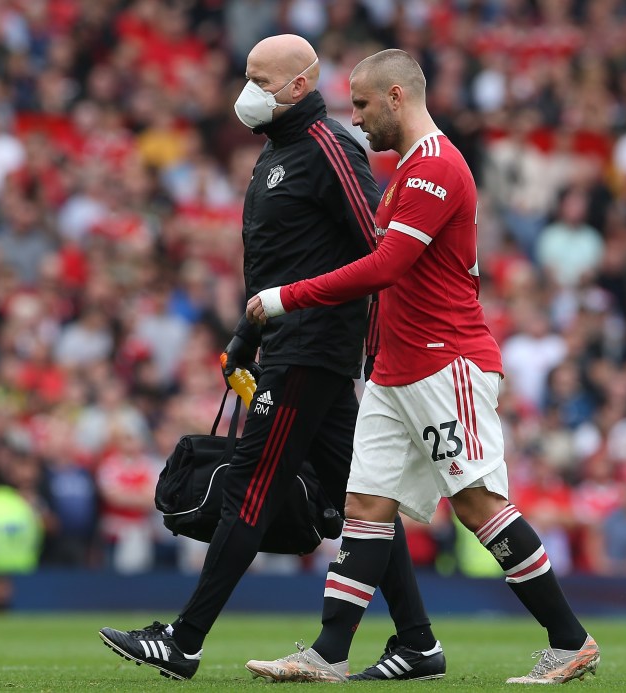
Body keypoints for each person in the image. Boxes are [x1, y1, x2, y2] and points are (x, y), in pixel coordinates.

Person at [244, 49, 601, 686]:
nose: (355, 119)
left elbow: (385, 269)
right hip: (394, 370)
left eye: (360, 105)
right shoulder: (410, 168)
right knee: (364, 505)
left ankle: (570, 639)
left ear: (396, 99)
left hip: (446, 361)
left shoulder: (436, 168)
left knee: (476, 503)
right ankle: (328, 653)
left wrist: (285, 296)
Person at [97, 35, 441, 681]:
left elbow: (377, 246)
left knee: (251, 487)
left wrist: (337, 331)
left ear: (299, 84)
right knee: (359, 501)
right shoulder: (279, 153)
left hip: (312, 347)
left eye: (261, 78)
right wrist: (245, 338)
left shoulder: (330, 147)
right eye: (247, 76)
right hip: (295, 344)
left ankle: (185, 639)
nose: (248, 89)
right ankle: (418, 643)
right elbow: (276, 267)